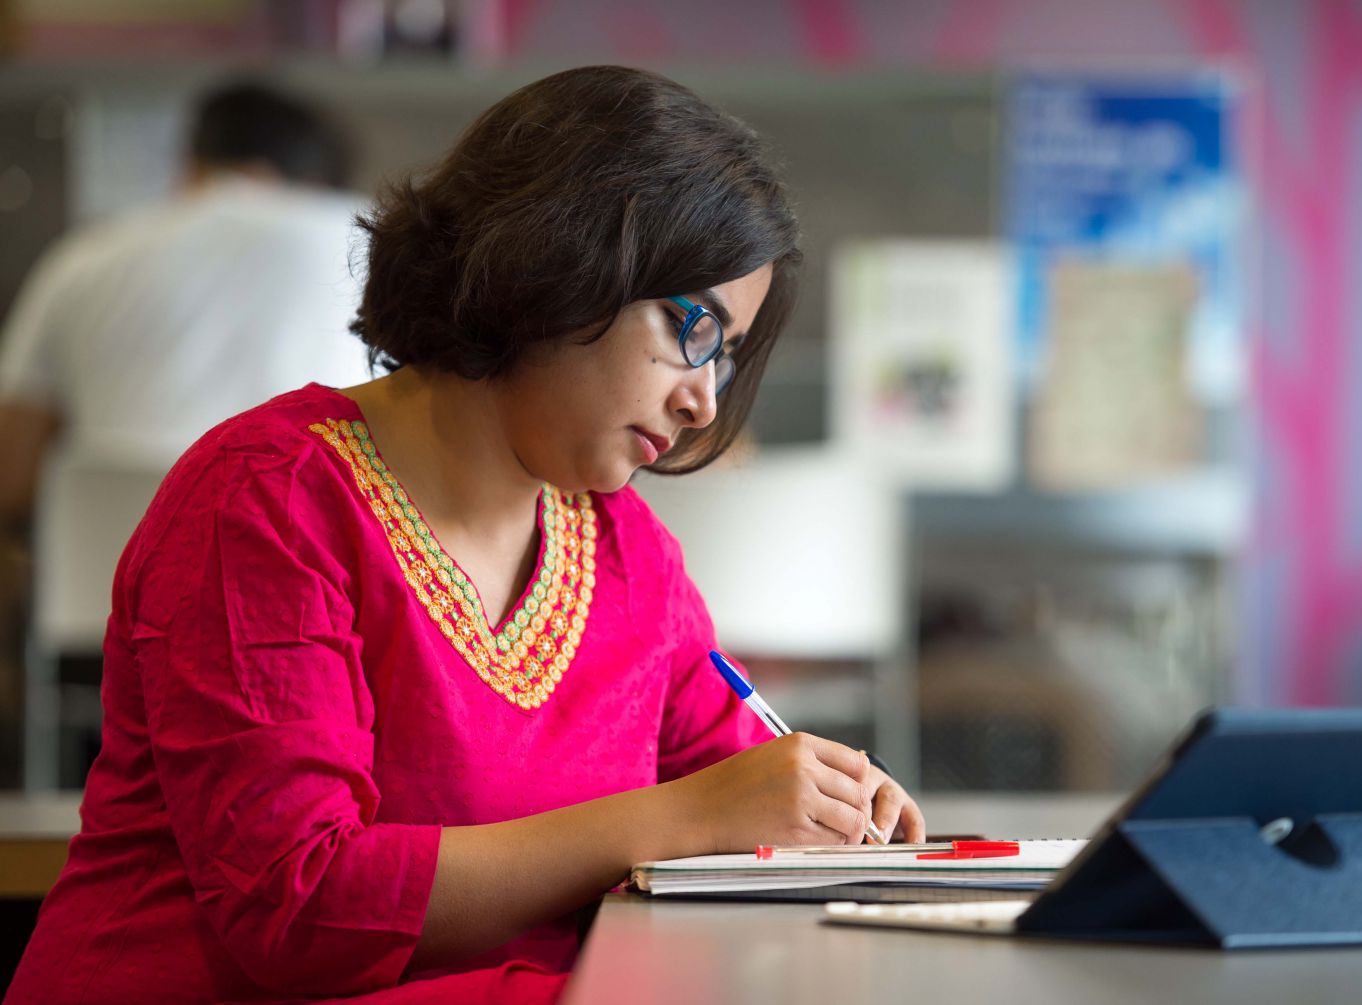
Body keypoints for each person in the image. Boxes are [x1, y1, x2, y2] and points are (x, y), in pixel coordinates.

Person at [3, 66, 925, 1005]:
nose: (702, 400)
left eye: (724, 359)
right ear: (556, 257)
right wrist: (679, 816)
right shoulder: (268, 502)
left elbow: (736, 787)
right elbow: (298, 908)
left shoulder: (626, 554)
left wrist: (832, 806)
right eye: (692, 327)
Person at [0, 80, 371, 528]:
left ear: (191, 166)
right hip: (316, 581)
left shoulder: (84, 256)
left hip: (103, 584)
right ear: (319, 181)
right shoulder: (368, 239)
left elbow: (11, 475)